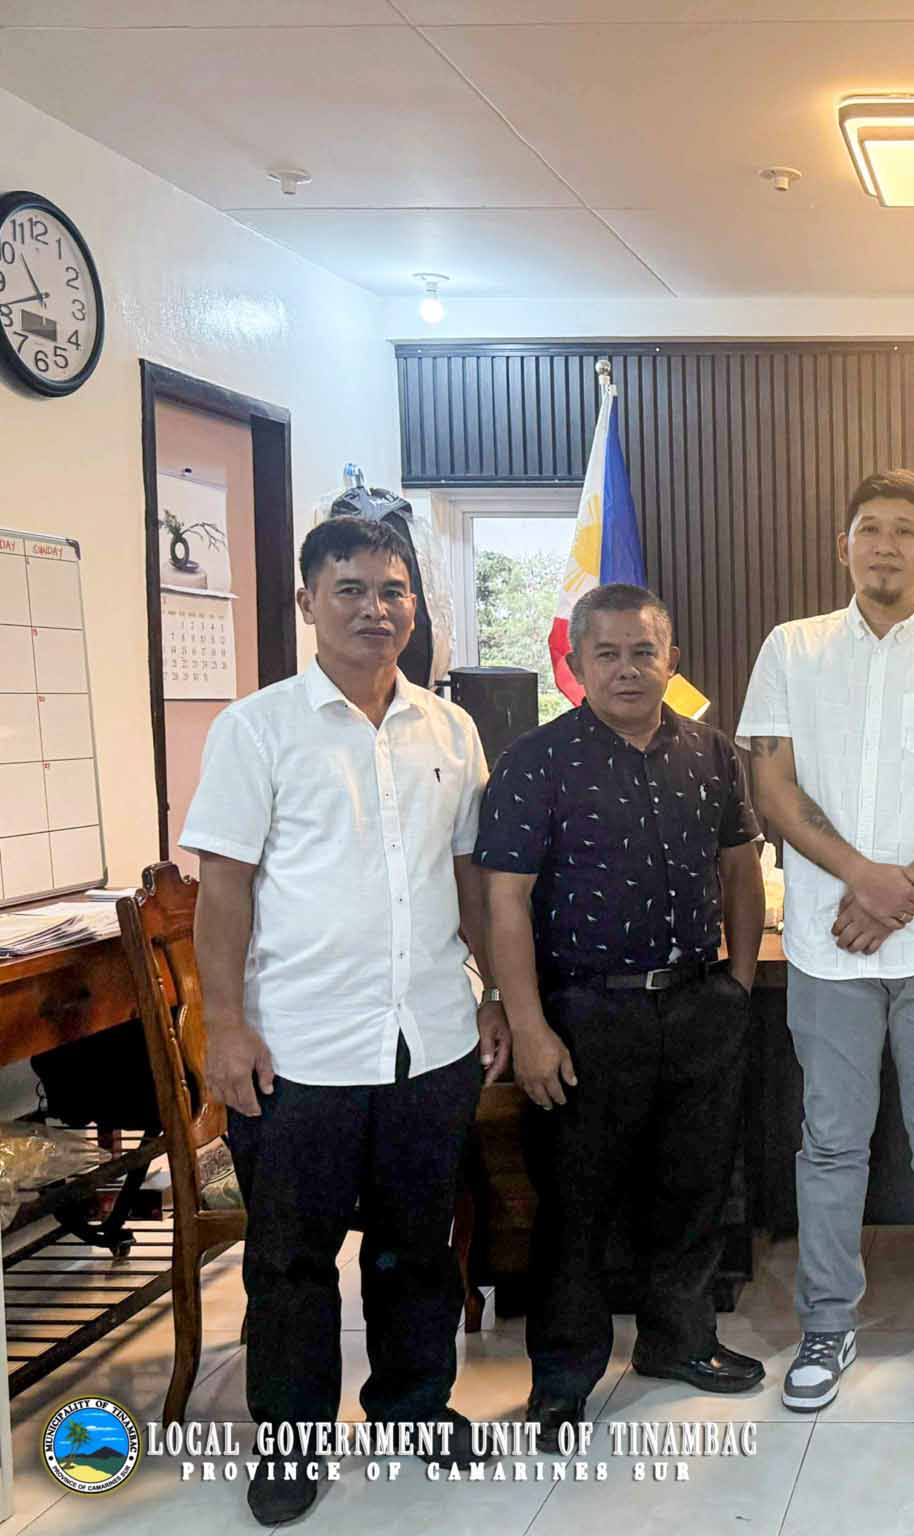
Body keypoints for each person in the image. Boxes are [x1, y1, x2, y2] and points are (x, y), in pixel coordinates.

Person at [183, 517, 506, 1526]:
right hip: (299, 1049)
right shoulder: (258, 729)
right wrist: (225, 1028)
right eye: (351, 589)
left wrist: (496, 993)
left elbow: (467, 879)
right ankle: (292, 1440)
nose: (376, 609)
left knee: (416, 1245)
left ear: (415, 606)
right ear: (307, 602)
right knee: (291, 1261)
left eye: (393, 590)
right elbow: (223, 893)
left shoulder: (450, 729)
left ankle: (412, 1407)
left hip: (430, 1039)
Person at [736, 468, 914, 1414]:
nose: (886, 545)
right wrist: (863, 876)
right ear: (844, 546)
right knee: (830, 1143)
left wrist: (901, 893)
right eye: (870, 528)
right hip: (830, 945)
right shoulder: (792, 648)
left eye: (906, 531)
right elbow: (773, 789)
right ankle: (827, 1324)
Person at [475, 582, 767, 1443]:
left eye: (644, 652)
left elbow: (741, 870)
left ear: (671, 659)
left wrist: (737, 983)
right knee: (575, 1204)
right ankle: (563, 1377)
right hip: (584, 1014)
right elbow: (504, 903)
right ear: (577, 663)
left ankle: (679, 1341)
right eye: (607, 653)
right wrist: (528, 1025)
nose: (628, 669)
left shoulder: (713, 754)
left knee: (694, 1189)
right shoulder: (535, 762)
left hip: (699, 1004)